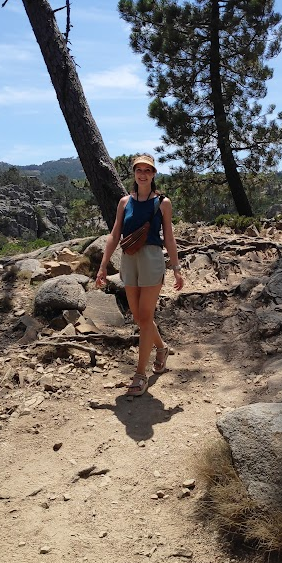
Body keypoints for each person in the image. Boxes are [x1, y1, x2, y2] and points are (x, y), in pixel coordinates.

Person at [95, 154, 184, 396]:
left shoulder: (163, 202)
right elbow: (114, 234)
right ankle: (162, 349)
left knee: (145, 317)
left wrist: (176, 268)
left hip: (152, 259)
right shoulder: (125, 202)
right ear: (134, 173)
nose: (143, 174)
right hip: (128, 259)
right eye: (139, 170)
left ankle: (139, 374)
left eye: (148, 170)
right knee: (138, 317)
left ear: (154, 173)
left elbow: (169, 236)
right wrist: (103, 265)